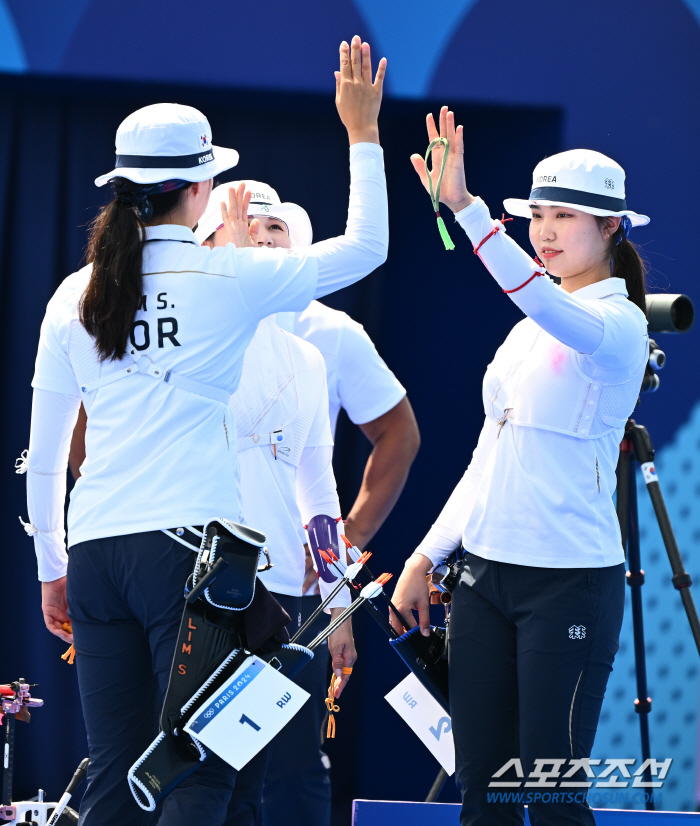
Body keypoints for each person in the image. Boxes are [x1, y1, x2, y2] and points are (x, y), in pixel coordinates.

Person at [23, 36, 387, 826]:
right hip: (188, 556)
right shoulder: (228, 279)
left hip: (95, 554)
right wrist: (362, 131)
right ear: (202, 189)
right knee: (202, 770)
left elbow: (46, 459)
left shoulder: (70, 296)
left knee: (115, 777)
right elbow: (368, 247)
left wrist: (53, 564)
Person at [391, 107, 649, 826]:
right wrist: (426, 553)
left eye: (565, 216)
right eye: (538, 213)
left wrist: (466, 210)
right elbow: (488, 454)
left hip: (568, 586)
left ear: (612, 229)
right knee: (485, 793)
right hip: (482, 580)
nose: (545, 229)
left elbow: (536, 295)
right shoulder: (523, 332)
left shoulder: (619, 325)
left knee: (552, 795)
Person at [196, 179, 420, 826]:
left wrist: (336, 598)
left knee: (279, 766)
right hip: (192, 584)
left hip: (285, 594)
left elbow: (317, 486)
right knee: (199, 770)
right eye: (245, 229)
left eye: (276, 231)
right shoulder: (191, 336)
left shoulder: (311, 351)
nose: (262, 241)